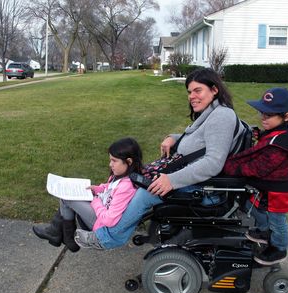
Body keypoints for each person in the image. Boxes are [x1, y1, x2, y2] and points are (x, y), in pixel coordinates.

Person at [75, 68, 245, 250]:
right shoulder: (213, 112)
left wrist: (171, 180)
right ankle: (108, 215)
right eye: (189, 92)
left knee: (146, 192)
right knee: (136, 179)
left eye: (198, 90)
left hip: (205, 190)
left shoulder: (222, 116)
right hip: (193, 179)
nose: (192, 96)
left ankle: (107, 238)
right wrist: (174, 137)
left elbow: (213, 162)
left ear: (214, 90)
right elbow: (202, 138)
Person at [223, 87, 288, 265]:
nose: (263, 117)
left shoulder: (282, 143)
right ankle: (264, 230)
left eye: (269, 115)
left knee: (277, 221)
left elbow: (259, 168)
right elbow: (268, 139)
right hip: (268, 186)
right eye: (262, 112)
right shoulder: (276, 133)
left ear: (286, 117)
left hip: (278, 190)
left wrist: (234, 169)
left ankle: (279, 248)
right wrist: (259, 134)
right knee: (251, 204)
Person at [33, 137, 143, 252]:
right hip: (101, 209)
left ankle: (64, 237)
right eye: (110, 160)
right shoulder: (122, 175)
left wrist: (95, 201)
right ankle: (60, 235)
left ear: (129, 162)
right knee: (67, 193)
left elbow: (109, 220)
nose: (110, 164)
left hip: (101, 225)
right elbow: (110, 189)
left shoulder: (126, 187)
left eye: (114, 161)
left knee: (66, 198)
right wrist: (98, 189)